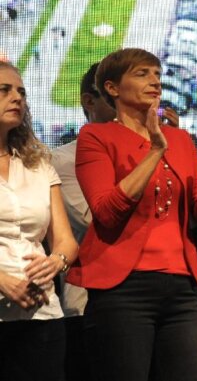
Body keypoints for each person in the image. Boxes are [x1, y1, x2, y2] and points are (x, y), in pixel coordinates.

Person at [68, 48, 197, 381]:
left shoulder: (180, 139)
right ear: (112, 88)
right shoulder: (97, 137)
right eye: (142, 73)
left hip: (180, 287)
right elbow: (106, 211)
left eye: (158, 74)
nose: (155, 82)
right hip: (122, 289)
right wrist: (156, 150)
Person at [0, 61, 78, 381]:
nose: (17, 98)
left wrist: (56, 262)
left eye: (21, 91)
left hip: (42, 313)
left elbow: (66, 241)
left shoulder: (38, 162)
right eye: (5, 90)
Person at [49, 63, 114, 381]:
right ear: (90, 102)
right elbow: (97, 220)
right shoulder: (63, 159)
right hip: (90, 303)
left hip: (150, 297)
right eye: (115, 99)